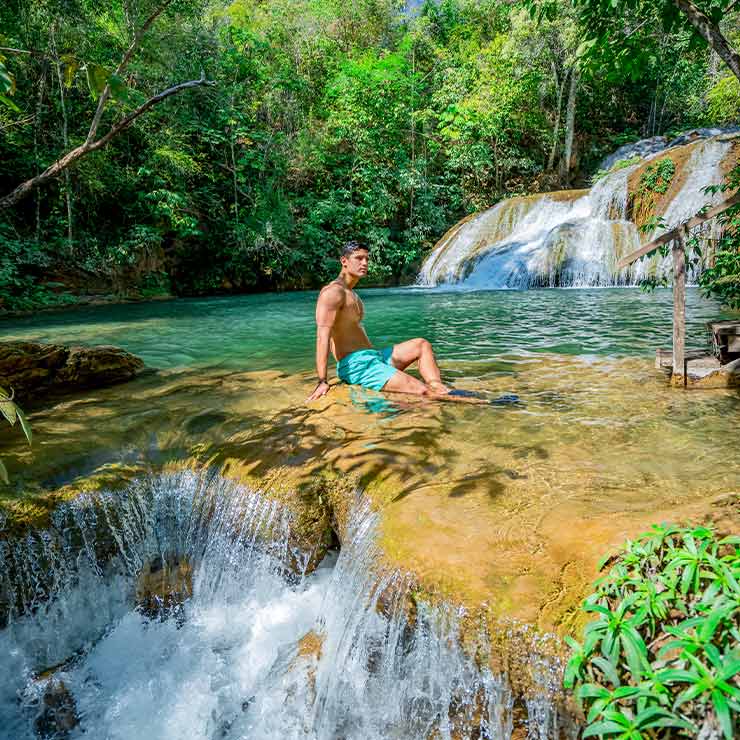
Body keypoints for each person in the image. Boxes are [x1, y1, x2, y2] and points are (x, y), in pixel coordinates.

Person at [307, 241, 451, 402]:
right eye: (359, 258)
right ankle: (435, 393)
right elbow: (322, 337)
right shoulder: (332, 292)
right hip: (357, 366)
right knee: (423, 392)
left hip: (374, 357)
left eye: (367, 259)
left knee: (421, 344)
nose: (365, 263)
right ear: (344, 261)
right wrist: (322, 381)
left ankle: (437, 385)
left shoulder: (352, 293)